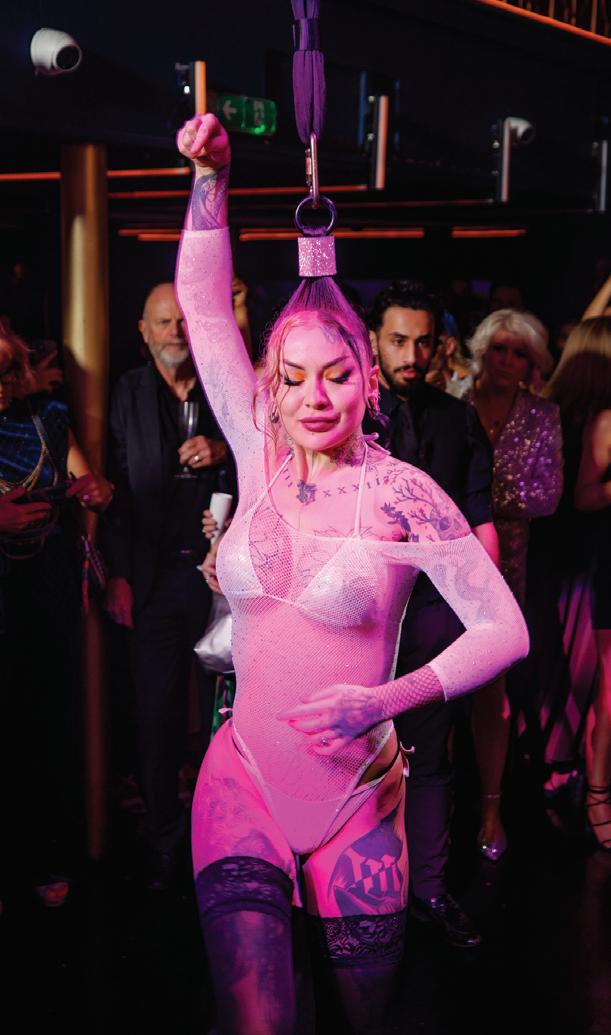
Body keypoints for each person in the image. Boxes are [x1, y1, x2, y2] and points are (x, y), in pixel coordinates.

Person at [176, 113, 528, 1035]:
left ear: (367, 376)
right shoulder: (256, 453)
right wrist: (211, 180)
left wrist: (387, 699)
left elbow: (505, 628)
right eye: (292, 378)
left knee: (365, 1019)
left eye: (335, 375)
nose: (313, 398)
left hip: (357, 797)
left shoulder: (404, 493)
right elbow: (204, 310)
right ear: (271, 384)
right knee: (257, 1019)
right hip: (244, 777)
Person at [366, 281, 498, 946]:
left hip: (432, 612)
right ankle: (357, 895)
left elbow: (480, 521)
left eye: (422, 342)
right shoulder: (349, 413)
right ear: (373, 340)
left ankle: (428, 891)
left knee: (430, 754)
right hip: (358, 614)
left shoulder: (456, 418)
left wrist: (484, 611)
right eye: (398, 340)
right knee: (357, 753)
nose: (411, 356)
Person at [103, 282, 229, 889]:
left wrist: (222, 450)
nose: (176, 331)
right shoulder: (127, 393)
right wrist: (118, 575)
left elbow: (265, 458)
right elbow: (114, 492)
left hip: (215, 579)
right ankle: (162, 839)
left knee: (220, 717)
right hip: (152, 581)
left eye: (183, 321)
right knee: (155, 717)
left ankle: (217, 837)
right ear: (144, 331)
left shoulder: (221, 388)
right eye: (163, 322)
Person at [0, 321, 113, 909]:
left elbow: (87, 479)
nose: (1, 384)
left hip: (42, 584)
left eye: (6, 371)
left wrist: (96, 490)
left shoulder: (45, 418)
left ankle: (46, 859)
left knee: (45, 723)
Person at [466, 309, 563, 856]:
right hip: (449, 556)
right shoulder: (455, 401)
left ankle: (490, 809)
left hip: (508, 566)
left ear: (533, 362)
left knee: (493, 689)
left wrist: (477, 497)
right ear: (483, 350)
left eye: (519, 353)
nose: (506, 360)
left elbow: (546, 497)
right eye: (499, 348)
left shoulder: (542, 415)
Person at [546, 318, 611, 850]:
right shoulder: (591, 421)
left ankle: (569, 776)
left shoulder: (558, 409)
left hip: (571, 560)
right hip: (582, 562)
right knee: (584, 679)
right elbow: (584, 498)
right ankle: (576, 781)